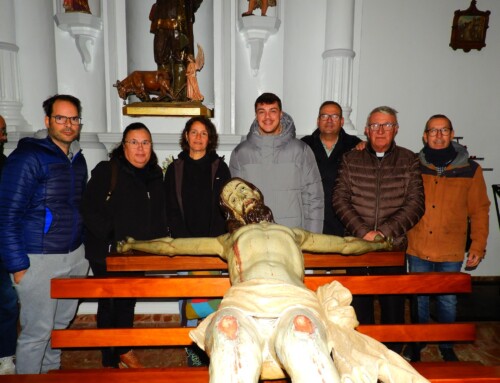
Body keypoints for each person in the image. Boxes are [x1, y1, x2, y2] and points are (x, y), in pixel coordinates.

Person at [117, 178, 428, 383]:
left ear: (256, 193)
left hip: (293, 303)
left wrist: (380, 245)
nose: (241, 196)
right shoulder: (227, 239)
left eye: (243, 189)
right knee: (227, 330)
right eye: (232, 198)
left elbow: (345, 245)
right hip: (243, 306)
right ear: (231, 211)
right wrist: (134, 244)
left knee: (302, 332)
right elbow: (172, 247)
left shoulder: (291, 233)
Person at [0, 95, 89, 374]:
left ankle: (51, 376)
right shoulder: (28, 157)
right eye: (60, 118)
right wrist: (18, 266)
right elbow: (7, 213)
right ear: (48, 120)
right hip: (38, 258)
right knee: (36, 334)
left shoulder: (78, 158)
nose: (67, 124)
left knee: (58, 330)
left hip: (73, 256)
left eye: (73, 118)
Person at [332, 106, 424, 353]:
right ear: (366, 129)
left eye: (386, 125)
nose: (380, 130)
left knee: (392, 304)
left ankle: (392, 353)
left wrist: (384, 232)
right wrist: (363, 232)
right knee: (359, 303)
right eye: (375, 125)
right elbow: (340, 199)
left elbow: (415, 204)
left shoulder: (409, 159)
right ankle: (363, 351)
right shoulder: (351, 159)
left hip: (391, 246)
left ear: (396, 129)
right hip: (358, 245)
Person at [82, 122, 168, 369]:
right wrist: (113, 236)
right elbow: (89, 209)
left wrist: (158, 242)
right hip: (107, 253)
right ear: (124, 145)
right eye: (134, 142)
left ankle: (123, 349)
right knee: (109, 304)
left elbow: (157, 214)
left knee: (128, 302)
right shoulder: (108, 170)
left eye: (145, 142)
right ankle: (111, 358)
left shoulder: (154, 175)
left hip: (138, 253)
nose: (140, 149)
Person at [404, 114, 490, 362]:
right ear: (425, 135)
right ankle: (417, 344)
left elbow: (479, 209)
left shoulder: (470, 169)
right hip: (418, 245)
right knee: (418, 298)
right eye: (433, 131)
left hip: (450, 248)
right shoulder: (413, 165)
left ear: (452, 134)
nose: (439, 136)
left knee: (447, 300)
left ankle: (446, 345)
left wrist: (478, 245)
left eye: (444, 131)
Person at [165, 116, 230, 366]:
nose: (198, 137)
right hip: (184, 244)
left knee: (212, 297)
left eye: (204, 133)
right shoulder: (175, 168)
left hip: (213, 245)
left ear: (209, 138)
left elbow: (225, 207)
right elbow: (170, 206)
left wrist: (211, 242)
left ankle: (213, 348)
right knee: (188, 298)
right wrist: (184, 240)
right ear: (186, 136)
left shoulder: (219, 167)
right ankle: (191, 348)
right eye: (194, 132)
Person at [229, 92, 324, 233]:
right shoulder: (240, 153)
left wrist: (314, 238)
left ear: (281, 114)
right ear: (256, 116)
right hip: (254, 236)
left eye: (273, 111)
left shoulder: (301, 150)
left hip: (293, 235)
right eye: (262, 112)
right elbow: (235, 204)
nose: (267, 117)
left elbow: (314, 198)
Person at [302, 101, 361, 236]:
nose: (329, 120)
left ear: (342, 121)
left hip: (344, 220)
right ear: (318, 121)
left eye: (334, 116)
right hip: (311, 218)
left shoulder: (355, 145)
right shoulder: (304, 145)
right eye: (324, 116)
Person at [0, 115, 18, 375]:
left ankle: (5, 357)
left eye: (3, 131)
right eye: (1, 132)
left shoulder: (5, 164)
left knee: (7, 302)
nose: (3, 138)